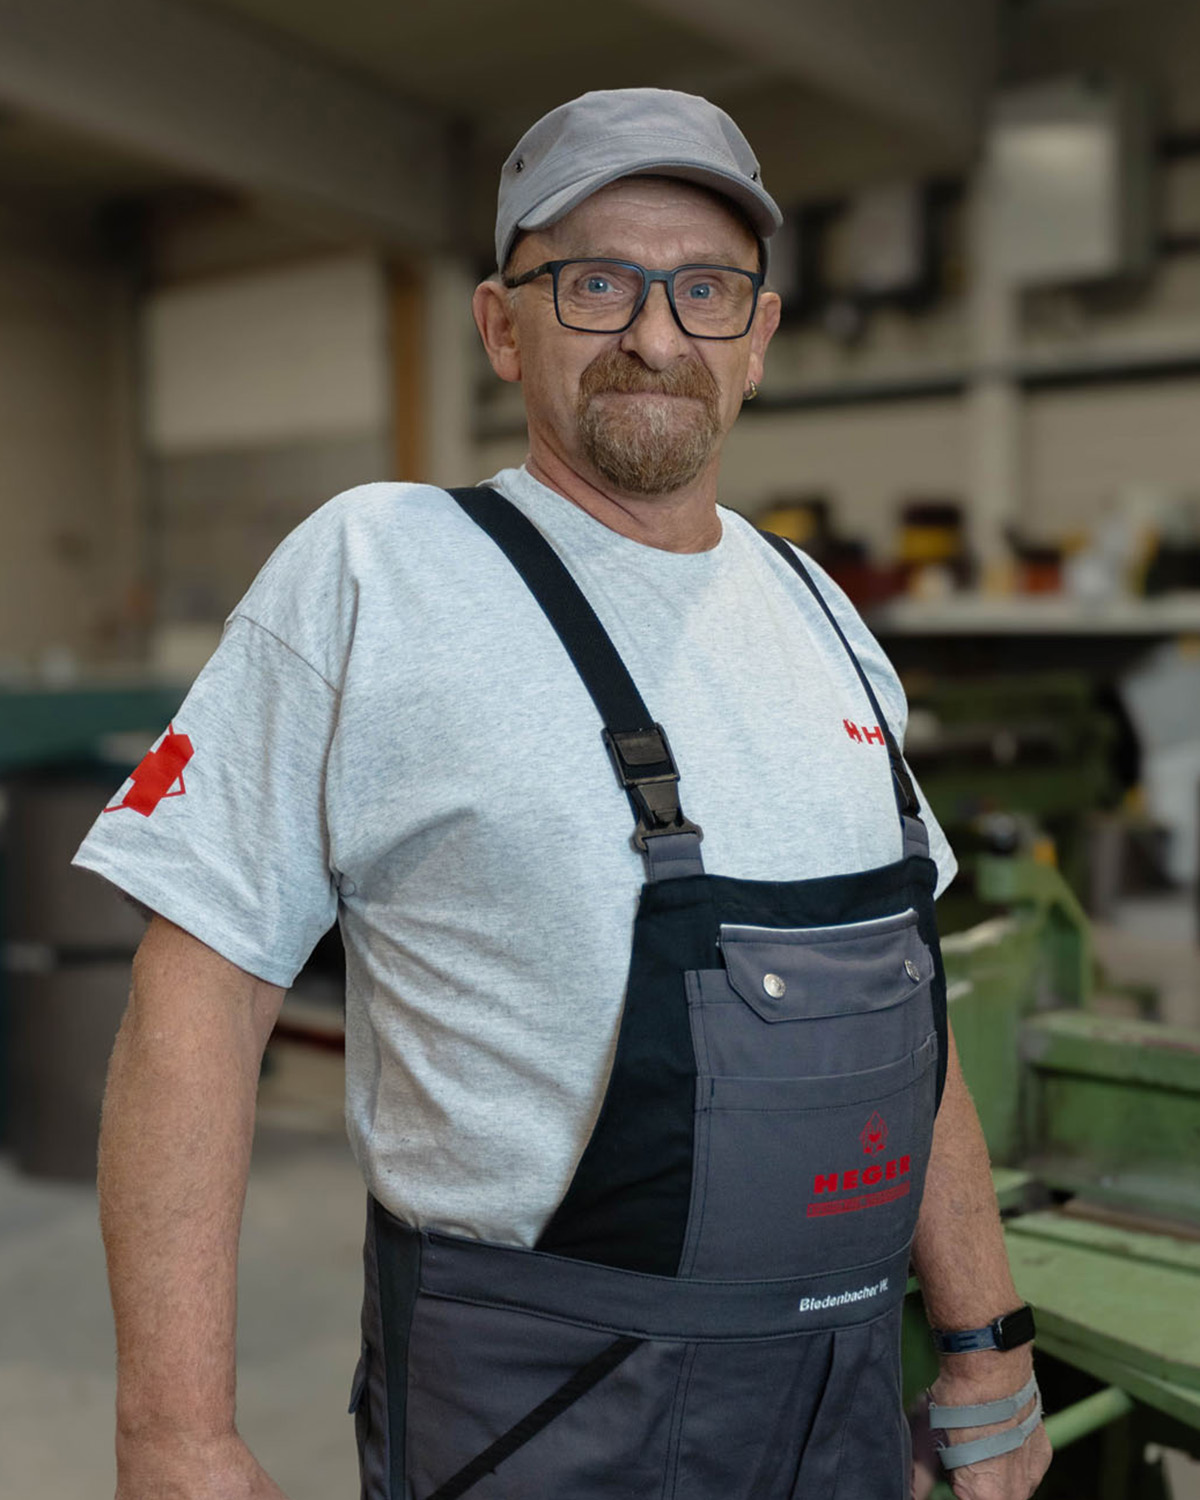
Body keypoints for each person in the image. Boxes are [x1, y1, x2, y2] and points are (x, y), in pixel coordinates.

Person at [75, 88, 1051, 1500]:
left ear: (759, 338)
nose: (656, 335)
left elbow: (908, 1010)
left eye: (705, 289)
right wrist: (173, 1434)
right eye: (597, 282)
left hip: (842, 1403)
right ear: (500, 323)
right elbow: (197, 997)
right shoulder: (378, 572)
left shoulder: (820, 612)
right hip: (542, 1417)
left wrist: (984, 1338)